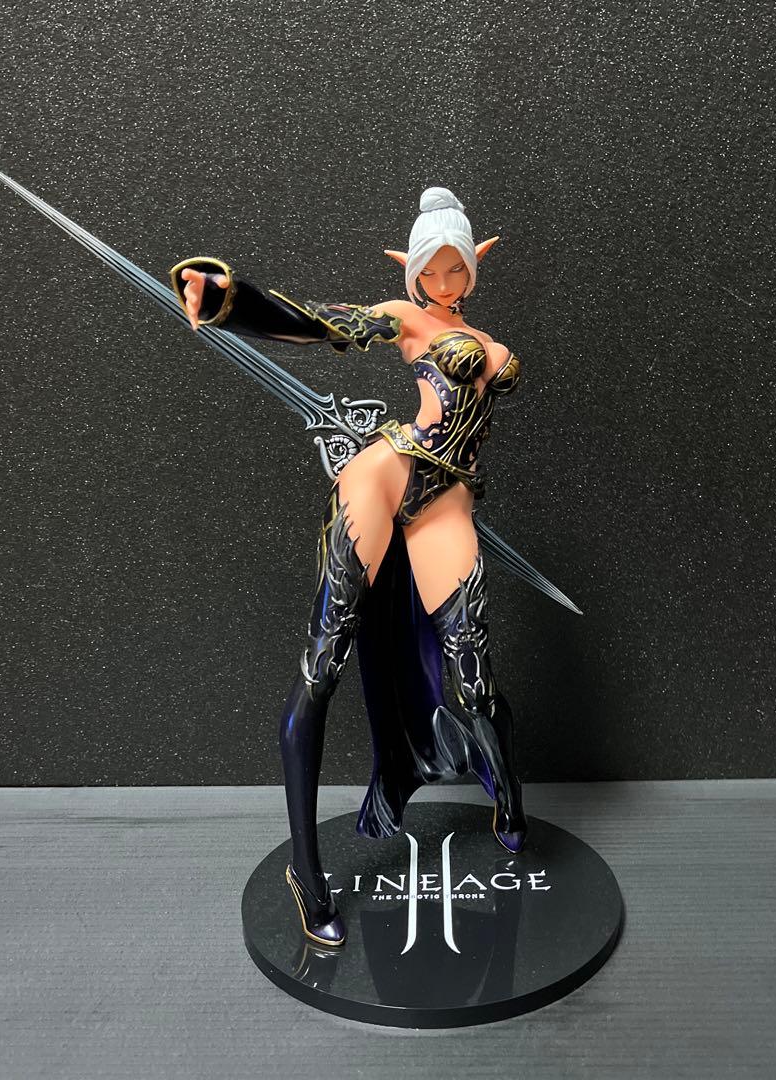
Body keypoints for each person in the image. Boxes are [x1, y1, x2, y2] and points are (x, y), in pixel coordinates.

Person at [171, 187, 526, 947]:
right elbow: (325, 323)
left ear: (473, 266)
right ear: (412, 271)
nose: (441, 282)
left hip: (448, 499)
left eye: (454, 268)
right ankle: (306, 872)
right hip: (390, 471)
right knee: (322, 663)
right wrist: (232, 300)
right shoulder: (407, 319)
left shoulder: (487, 339)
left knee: (474, 671)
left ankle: (508, 796)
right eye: (429, 269)